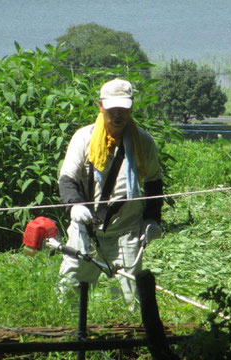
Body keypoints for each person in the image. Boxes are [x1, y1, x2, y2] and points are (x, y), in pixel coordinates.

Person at [58, 78, 163, 308]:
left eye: (123, 109)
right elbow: (67, 179)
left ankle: (128, 341)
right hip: (86, 229)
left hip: (126, 231)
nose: (118, 115)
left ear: (131, 108)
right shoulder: (83, 138)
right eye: (112, 108)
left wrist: (152, 219)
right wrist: (74, 206)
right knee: (70, 294)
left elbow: (154, 182)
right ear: (100, 106)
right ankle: (66, 337)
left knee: (130, 301)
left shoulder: (144, 142)